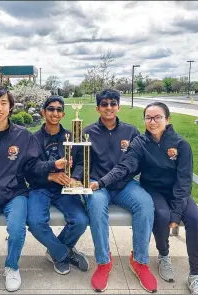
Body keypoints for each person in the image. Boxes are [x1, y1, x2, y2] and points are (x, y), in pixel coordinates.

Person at [91, 102, 198, 294]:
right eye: (148, 118)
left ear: (167, 119)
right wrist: (102, 182)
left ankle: (195, 274)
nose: (152, 122)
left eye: (157, 117)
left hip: (178, 191)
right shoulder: (140, 143)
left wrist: (177, 212)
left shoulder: (181, 144)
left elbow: (184, 181)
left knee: (194, 219)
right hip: (154, 190)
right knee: (160, 213)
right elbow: (125, 166)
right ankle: (163, 255)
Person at [0, 88, 67, 293]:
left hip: (15, 195)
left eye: (3, 103)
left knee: (17, 230)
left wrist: (52, 164)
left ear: (10, 107)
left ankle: (12, 267)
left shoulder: (23, 136)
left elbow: (32, 166)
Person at [75, 89, 157, 293]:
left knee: (145, 204)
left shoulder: (131, 132)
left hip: (124, 185)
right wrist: (77, 177)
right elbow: (80, 161)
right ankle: (104, 262)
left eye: (113, 103)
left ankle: (139, 260)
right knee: (95, 204)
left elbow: (135, 162)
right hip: (96, 186)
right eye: (104, 104)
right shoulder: (87, 132)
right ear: (97, 108)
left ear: (118, 106)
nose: (109, 107)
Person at [26, 95, 89, 275]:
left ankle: (55, 249)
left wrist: (74, 177)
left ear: (63, 114)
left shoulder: (71, 136)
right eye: (51, 109)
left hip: (64, 189)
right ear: (43, 112)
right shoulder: (33, 139)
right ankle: (62, 253)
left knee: (81, 220)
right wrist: (51, 176)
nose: (55, 113)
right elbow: (29, 168)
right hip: (40, 187)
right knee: (36, 222)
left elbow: (81, 162)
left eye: (59, 109)